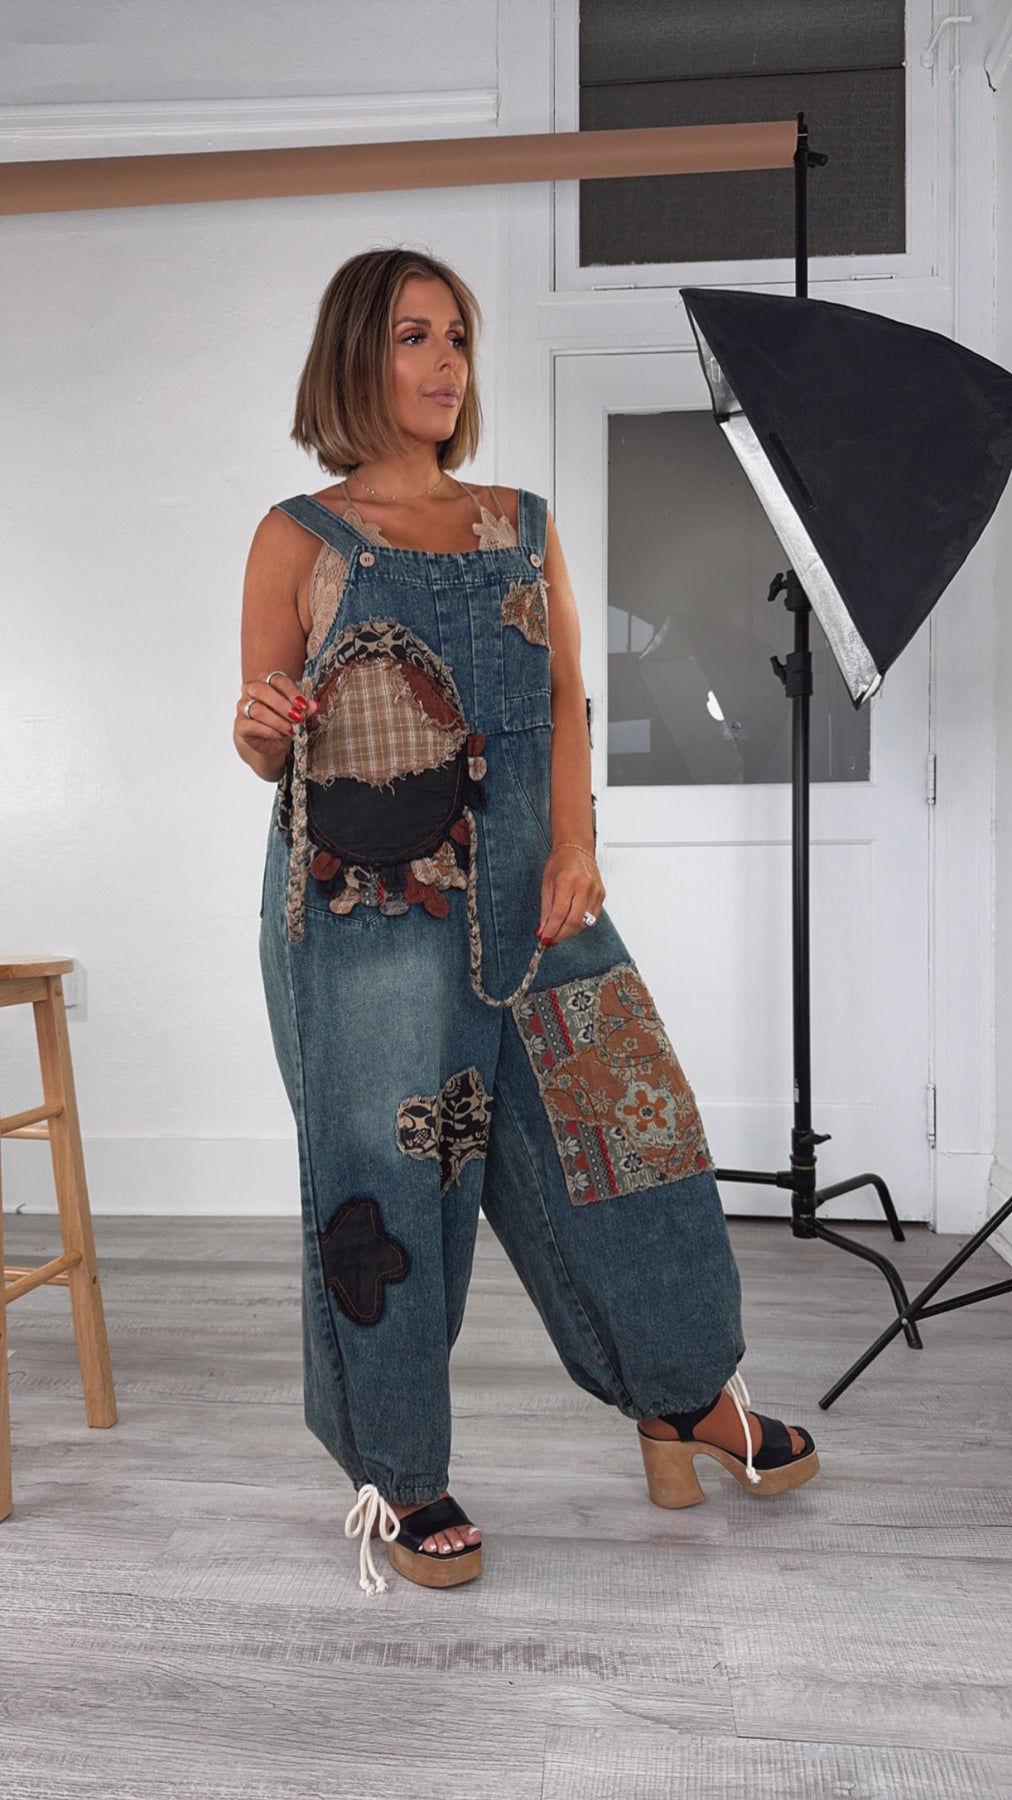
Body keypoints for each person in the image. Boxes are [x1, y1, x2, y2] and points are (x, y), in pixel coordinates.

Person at [235, 248, 818, 1595]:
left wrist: (576, 843)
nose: (446, 364)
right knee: (394, 1185)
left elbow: (564, 700)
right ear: (354, 357)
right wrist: (259, 725)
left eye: (457, 338)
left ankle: (684, 1397)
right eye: (414, 337)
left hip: (532, 887)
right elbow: (272, 745)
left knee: (627, 1129)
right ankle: (399, 1469)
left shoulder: (521, 520)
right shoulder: (296, 536)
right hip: (366, 908)